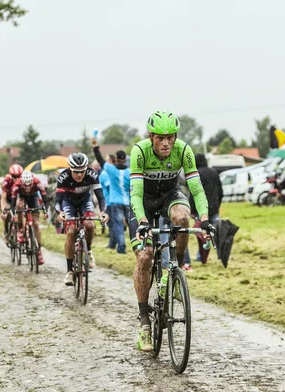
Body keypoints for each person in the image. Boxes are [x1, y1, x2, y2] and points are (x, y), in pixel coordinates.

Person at [129, 110, 215, 351]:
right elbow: (135, 194)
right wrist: (143, 221)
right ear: (151, 136)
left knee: (182, 217)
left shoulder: (184, 150)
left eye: (171, 137)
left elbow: (196, 189)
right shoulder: (140, 151)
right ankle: (144, 322)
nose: (166, 143)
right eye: (160, 138)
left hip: (169, 195)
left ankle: (174, 270)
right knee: (144, 257)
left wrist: (205, 219)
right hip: (143, 202)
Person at [55, 153, 109, 285]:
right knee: (71, 230)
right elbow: (58, 201)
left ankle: (88, 250)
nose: (79, 175)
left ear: (86, 169)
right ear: (70, 169)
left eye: (82, 171)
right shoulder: (63, 177)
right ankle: (69, 271)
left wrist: (102, 212)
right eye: (75, 172)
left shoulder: (92, 175)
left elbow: (101, 197)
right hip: (68, 203)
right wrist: (60, 212)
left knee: (90, 224)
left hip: (85, 201)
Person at [92, 141, 131, 254]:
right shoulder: (130, 172)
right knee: (132, 225)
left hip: (115, 202)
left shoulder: (111, 169)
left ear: (117, 159)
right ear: (125, 160)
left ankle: (121, 248)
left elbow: (100, 160)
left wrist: (95, 147)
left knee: (118, 226)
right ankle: (137, 246)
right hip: (128, 202)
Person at [188, 153, 223, 265]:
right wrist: (218, 204)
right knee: (216, 233)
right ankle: (221, 254)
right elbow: (220, 191)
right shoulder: (214, 172)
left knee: (201, 234)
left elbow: (194, 194)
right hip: (215, 207)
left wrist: (192, 210)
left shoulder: (197, 174)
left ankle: (200, 257)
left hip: (202, 209)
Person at [11, 170, 50, 264]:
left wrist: (45, 211)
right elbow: (13, 204)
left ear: (32, 182)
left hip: (33, 198)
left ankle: (39, 251)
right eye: (25, 185)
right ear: (22, 182)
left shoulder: (37, 182)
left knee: (36, 224)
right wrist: (15, 215)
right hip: (22, 197)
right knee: (19, 206)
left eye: (30, 185)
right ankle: (21, 229)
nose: (28, 187)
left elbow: (46, 200)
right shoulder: (17, 185)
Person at [1, 164, 23, 244]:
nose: (17, 178)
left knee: (21, 209)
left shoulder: (23, 181)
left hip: (18, 199)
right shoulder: (7, 181)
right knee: (7, 214)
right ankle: (6, 230)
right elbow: (3, 198)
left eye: (19, 176)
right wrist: (3, 210)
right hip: (8, 200)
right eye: (14, 176)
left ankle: (21, 230)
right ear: (11, 176)